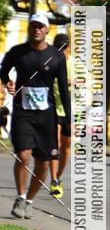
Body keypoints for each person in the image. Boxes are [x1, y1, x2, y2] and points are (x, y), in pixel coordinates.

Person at [0, 12, 70, 219]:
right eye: (33, 26)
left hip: (47, 116)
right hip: (23, 113)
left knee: (44, 163)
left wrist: (68, 119)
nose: (36, 29)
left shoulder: (56, 57)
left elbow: (64, 89)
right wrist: (7, 82)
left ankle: (29, 200)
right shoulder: (18, 52)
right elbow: (3, 70)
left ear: (47, 30)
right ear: (29, 29)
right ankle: (20, 197)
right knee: (23, 155)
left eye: (40, 26)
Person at [49, 33, 72, 199]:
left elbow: (90, 83)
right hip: (53, 109)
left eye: (63, 48)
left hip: (70, 111)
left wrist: (72, 82)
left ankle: (59, 176)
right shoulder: (50, 62)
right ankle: (54, 180)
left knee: (66, 148)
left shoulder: (75, 65)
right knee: (55, 145)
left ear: (69, 48)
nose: (61, 51)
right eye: (58, 48)